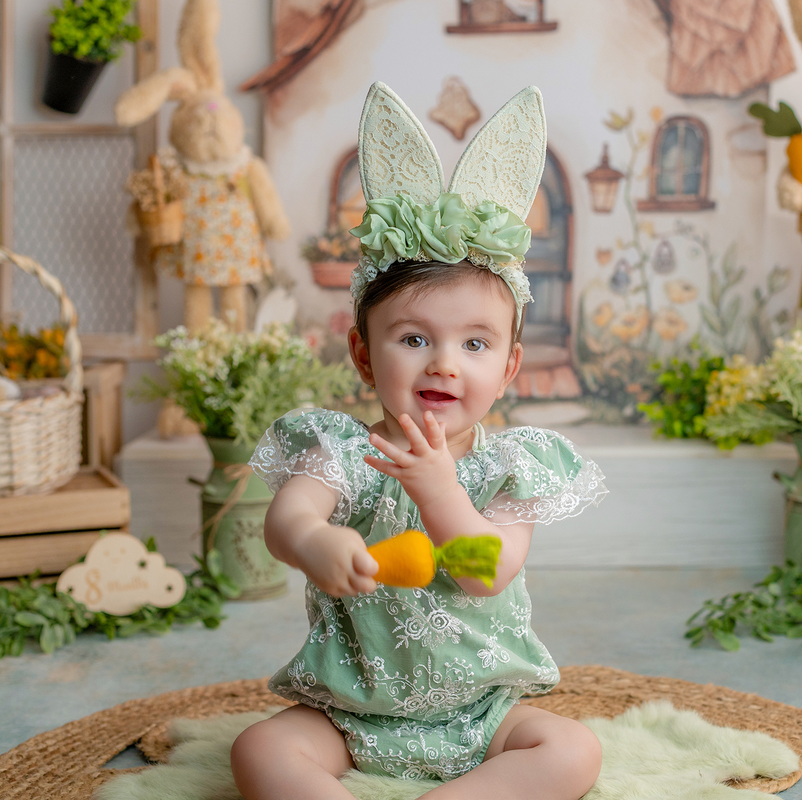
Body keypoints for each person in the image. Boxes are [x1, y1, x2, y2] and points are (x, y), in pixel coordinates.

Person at [230, 83, 607, 800]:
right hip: (347, 708)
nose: (444, 362)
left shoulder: (508, 467)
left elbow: (483, 574)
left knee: (570, 750)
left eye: (474, 342)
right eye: (413, 338)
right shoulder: (340, 448)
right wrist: (314, 543)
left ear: (509, 366)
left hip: (480, 710)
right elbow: (288, 519)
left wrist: (438, 488)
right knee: (259, 752)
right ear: (365, 356)